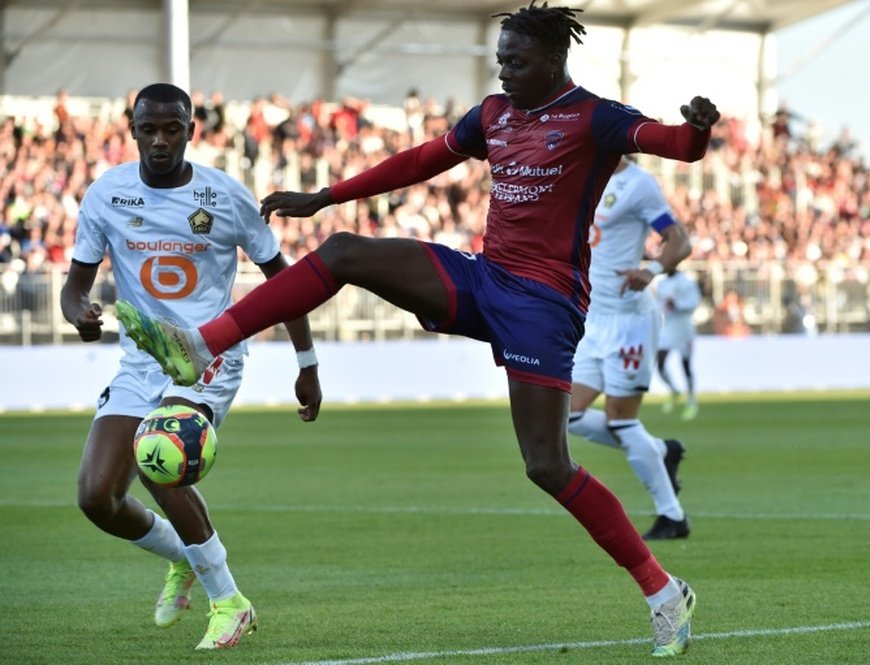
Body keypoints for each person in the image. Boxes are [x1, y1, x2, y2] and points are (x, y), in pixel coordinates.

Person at [117, 3, 719, 657]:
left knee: (547, 464)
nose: (504, 70)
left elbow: (675, 146)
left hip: (544, 306)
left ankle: (664, 592)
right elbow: (419, 161)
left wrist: (696, 128)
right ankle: (200, 343)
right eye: (500, 59)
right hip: (485, 279)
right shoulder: (494, 114)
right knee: (344, 250)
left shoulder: (595, 117)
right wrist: (325, 197)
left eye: (516, 60)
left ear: (553, 60)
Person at [60, 83, 323, 651]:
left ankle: (230, 602)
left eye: (171, 128)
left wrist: (307, 363)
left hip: (211, 355)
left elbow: (289, 282)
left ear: (190, 130)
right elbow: (73, 287)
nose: (160, 140)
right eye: (149, 129)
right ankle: (185, 557)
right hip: (142, 360)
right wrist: (79, 313)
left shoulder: (224, 196)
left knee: (162, 453)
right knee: (96, 498)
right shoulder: (106, 195)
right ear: (132, 130)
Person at [568, 156, 690, 541]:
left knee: (621, 418)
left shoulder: (638, 185)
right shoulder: (578, 176)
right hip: (592, 318)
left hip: (630, 319)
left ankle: (672, 517)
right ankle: (658, 450)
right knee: (563, 415)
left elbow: (679, 240)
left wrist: (650, 270)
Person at [655, 268, 702, 420]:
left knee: (686, 364)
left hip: (684, 328)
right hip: (668, 328)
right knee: (660, 362)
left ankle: (691, 400)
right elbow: (659, 304)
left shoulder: (687, 282)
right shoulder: (662, 282)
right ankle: (674, 390)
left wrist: (677, 304)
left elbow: (694, 302)